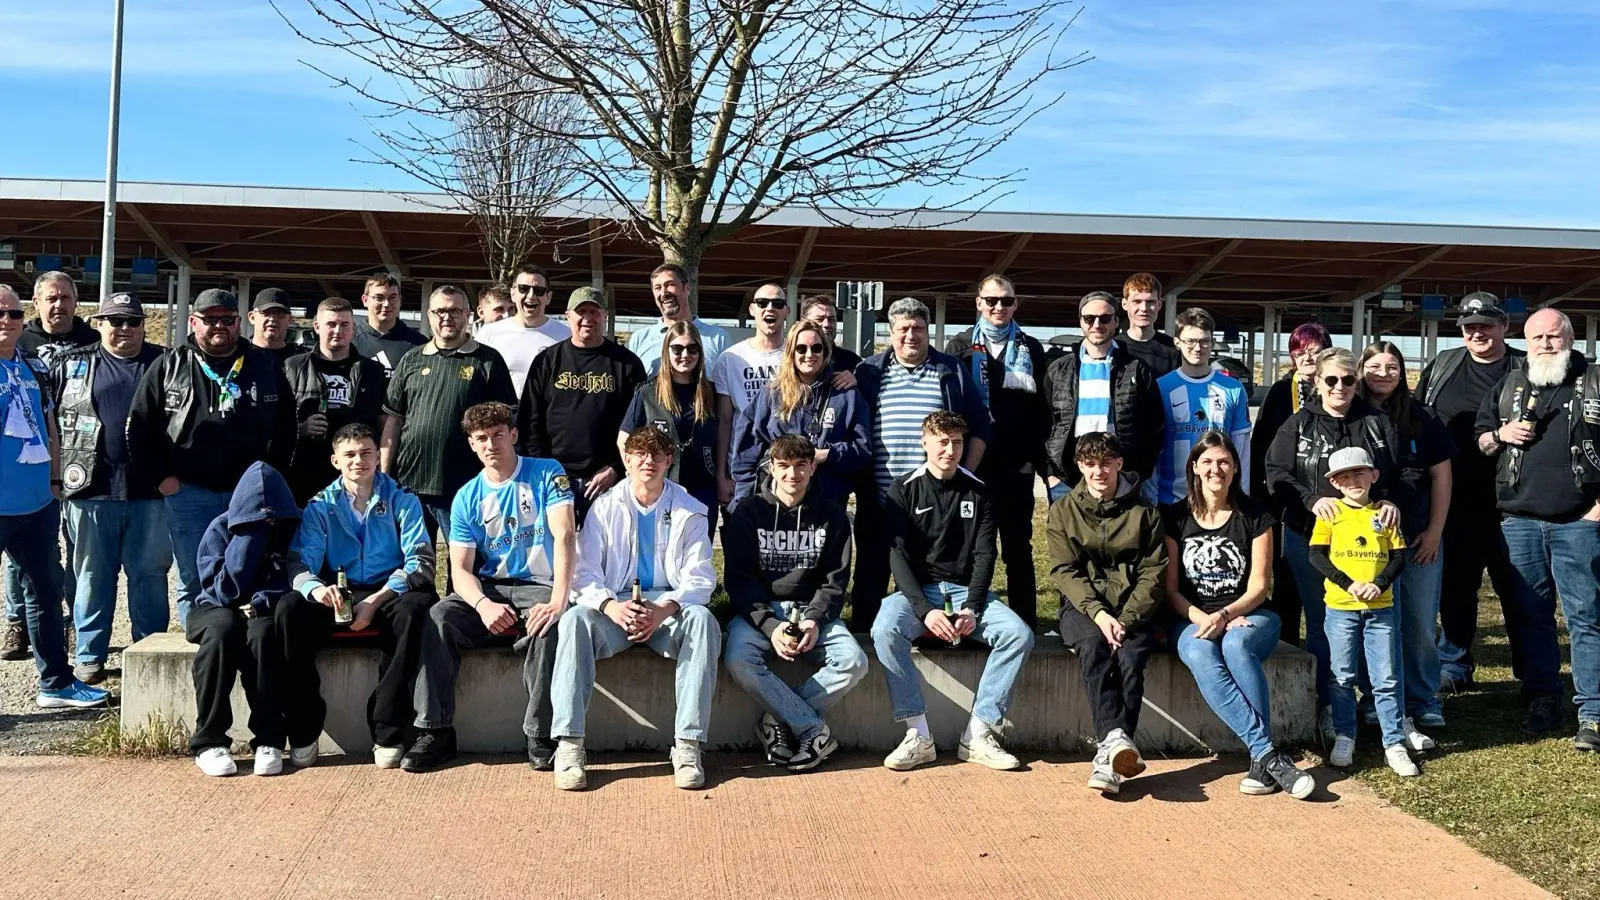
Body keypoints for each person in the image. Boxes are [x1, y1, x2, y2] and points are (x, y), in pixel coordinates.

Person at [404, 402, 577, 773]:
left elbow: (565, 535)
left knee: (550, 625)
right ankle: (434, 731)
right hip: (491, 589)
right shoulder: (467, 496)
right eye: (481, 438)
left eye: (498, 434)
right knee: (438, 616)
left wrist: (559, 600)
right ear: (471, 444)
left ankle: (539, 733)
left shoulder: (547, 473)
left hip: (540, 586)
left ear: (513, 435)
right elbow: (460, 570)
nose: (491, 444)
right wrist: (483, 604)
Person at [550, 426, 718, 791]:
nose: (648, 462)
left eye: (657, 455)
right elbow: (584, 572)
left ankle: (688, 746)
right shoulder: (605, 506)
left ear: (669, 460)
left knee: (703, 621)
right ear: (626, 460)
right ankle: (569, 744)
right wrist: (610, 606)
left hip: (667, 611)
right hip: (617, 608)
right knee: (575, 620)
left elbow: (701, 578)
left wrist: (663, 609)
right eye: (639, 454)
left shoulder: (690, 509)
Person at [871, 411, 1032, 772]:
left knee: (1018, 634)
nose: (950, 450)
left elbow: (985, 554)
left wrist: (972, 606)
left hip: (965, 593)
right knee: (884, 629)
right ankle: (918, 734)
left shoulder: (980, 490)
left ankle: (978, 733)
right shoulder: (903, 489)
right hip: (918, 593)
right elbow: (897, 556)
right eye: (942, 442)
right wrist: (925, 610)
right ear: (925, 443)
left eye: (956, 442)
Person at [129, 288, 297, 627]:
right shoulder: (169, 365)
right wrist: (161, 478)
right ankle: (200, 645)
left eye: (227, 319)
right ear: (193, 322)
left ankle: (237, 644)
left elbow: (286, 428)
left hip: (248, 498)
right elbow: (139, 428)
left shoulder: (264, 366)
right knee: (195, 577)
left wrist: (270, 480)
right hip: (190, 493)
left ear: (239, 323)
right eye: (210, 319)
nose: (219, 325)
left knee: (251, 570)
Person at [1164, 431, 1315, 799]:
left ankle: (1262, 758)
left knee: (1236, 644)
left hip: (1250, 614)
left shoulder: (1257, 515)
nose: (1216, 469)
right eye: (1207, 461)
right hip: (1190, 617)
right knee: (1200, 650)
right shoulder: (1173, 517)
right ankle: (1266, 753)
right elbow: (1170, 591)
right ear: (1194, 467)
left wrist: (1225, 615)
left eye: (1224, 462)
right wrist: (1203, 617)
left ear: (1235, 468)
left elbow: (1259, 587)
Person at [1475, 308, 1600, 750]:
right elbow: (1481, 439)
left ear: (1570, 337)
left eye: (1554, 335)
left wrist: (1598, 508)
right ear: (1526, 343)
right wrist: (1501, 436)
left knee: (1586, 618)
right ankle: (1544, 697)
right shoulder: (1510, 384)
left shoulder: (1594, 381)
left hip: (1579, 521)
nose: (1546, 344)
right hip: (1520, 521)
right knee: (1530, 615)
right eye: (1537, 337)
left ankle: (1593, 711)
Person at [1265, 347, 1403, 744]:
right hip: (1313, 538)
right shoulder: (1297, 424)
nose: (1339, 387)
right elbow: (1276, 474)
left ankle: (1379, 706)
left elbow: (1400, 472)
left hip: (1371, 542)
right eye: (1331, 379)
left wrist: (1391, 500)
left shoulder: (1378, 422)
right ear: (1316, 381)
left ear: (1356, 382)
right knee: (1324, 624)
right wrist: (1310, 500)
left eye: (1347, 379)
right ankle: (1329, 705)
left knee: (1377, 623)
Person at [289, 423, 438, 768]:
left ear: (377, 456)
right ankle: (304, 727)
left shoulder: (402, 498)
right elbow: (300, 562)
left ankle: (388, 729)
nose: (360, 461)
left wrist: (376, 600)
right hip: (337, 590)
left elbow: (421, 561)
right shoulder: (319, 506)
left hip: (389, 590)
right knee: (289, 610)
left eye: (367, 452)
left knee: (416, 609)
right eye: (350, 455)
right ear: (335, 461)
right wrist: (318, 590)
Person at [723, 434, 865, 771]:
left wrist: (815, 619)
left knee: (854, 661)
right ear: (771, 467)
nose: (792, 474)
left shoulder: (832, 515)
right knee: (738, 659)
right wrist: (771, 627)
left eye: (801, 465)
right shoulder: (747, 512)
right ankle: (811, 728)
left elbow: (835, 579)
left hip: (812, 611)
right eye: (784, 466)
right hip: (762, 612)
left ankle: (778, 720)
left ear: (813, 467)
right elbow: (739, 579)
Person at [49, 294, 169, 685]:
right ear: (99, 323)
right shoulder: (70, 364)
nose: (124, 329)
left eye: (133, 321)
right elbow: (48, 423)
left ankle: (149, 652)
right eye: (115, 321)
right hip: (89, 489)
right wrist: (53, 476)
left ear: (144, 325)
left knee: (150, 576)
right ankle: (89, 656)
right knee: (91, 577)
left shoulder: (166, 363)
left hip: (150, 491)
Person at [851, 298, 990, 627]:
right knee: (870, 575)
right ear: (891, 332)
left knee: (918, 579)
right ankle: (863, 641)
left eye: (918, 328)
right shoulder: (869, 371)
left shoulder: (951, 371)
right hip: (879, 497)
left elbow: (980, 425)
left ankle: (923, 635)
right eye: (903, 329)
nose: (911, 335)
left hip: (930, 504)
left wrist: (963, 473)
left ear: (928, 332)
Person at [0, 284, 108, 709]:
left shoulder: (32, 366)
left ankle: (57, 684)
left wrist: (55, 481)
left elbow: (50, 426)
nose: (7, 321)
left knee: (46, 594)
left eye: (13, 314)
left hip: (36, 504)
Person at [186, 462, 329, 777]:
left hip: (265, 607)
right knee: (222, 633)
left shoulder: (297, 526)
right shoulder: (220, 528)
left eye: (273, 518)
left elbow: (297, 576)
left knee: (263, 637)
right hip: (216, 606)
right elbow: (222, 590)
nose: (269, 522)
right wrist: (249, 535)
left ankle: (269, 738)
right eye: (261, 516)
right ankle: (209, 741)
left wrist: (259, 601)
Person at [1414, 293, 1525, 694]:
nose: (1477, 333)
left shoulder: (1525, 368)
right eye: (1469, 327)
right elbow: (1416, 419)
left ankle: (1531, 672)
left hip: (1515, 500)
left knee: (1520, 590)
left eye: (1486, 326)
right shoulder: (1442, 367)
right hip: (1455, 500)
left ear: (1504, 327)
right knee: (1457, 588)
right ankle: (1455, 665)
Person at [1050, 432, 1167, 794]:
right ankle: (1117, 744)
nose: (1098, 471)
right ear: (1079, 466)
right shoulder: (1063, 511)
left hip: (1133, 608)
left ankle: (1109, 757)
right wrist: (1100, 615)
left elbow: (1153, 573)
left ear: (1119, 464)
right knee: (1093, 647)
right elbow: (1064, 571)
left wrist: (1127, 619)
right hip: (1083, 607)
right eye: (1090, 464)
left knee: (1131, 659)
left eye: (1105, 463)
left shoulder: (1145, 512)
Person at [1307, 447, 1423, 777]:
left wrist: (1380, 583)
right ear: (1334, 483)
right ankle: (1345, 735)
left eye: (1359, 473)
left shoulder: (1385, 514)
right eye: (1344, 477)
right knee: (1342, 675)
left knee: (1386, 677)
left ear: (1374, 475)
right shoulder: (1330, 514)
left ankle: (1394, 743)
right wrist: (1347, 584)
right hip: (1341, 608)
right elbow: (1316, 555)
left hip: (1380, 609)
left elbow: (1398, 557)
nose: (1353, 481)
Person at [943, 274, 1050, 628]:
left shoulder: (1031, 349)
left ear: (1015, 304)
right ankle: (967, 621)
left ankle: (1025, 625)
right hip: (972, 466)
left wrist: (1033, 461)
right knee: (971, 549)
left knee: (1018, 549)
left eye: (1006, 300)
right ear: (979, 303)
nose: (998, 307)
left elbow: (1042, 411)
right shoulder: (959, 346)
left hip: (1016, 468)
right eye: (991, 300)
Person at [1360, 341, 1453, 730]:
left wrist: (1435, 531)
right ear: (1362, 370)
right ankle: (1375, 697)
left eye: (1392, 366)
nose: (1383, 373)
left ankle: (1423, 698)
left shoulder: (1421, 416)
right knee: (1375, 622)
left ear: (1402, 372)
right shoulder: (1350, 413)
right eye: (1375, 366)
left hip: (1416, 538)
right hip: (1366, 543)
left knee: (1418, 623)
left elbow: (1441, 475)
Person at [380, 285, 517, 543]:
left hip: (464, 483)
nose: (447, 317)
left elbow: (504, 422)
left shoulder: (488, 360)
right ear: (429, 315)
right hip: (410, 482)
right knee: (414, 559)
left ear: (467, 314)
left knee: (465, 557)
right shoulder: (412, 359)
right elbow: (394, 420)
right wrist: (385, 476)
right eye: (440, 311)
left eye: (454, 311)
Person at [517, 286, 646, 525]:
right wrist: (544, 469)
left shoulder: (627, 364)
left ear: (605, 315)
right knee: (556, 545)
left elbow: (639, 426)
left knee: (606, 548)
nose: (588, 318)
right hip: (552, 477)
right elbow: (529, 421)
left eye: (594, 312)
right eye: (581, 312)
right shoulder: (547, 361)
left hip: (606, 480)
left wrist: (616, 468)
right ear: (568, 316)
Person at [730, 320, 871, 508]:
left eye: (816, 348)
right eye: (801, 349)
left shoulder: (847, 395)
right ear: (791, 352)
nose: (809, 355)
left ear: (825, 352)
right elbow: (746, 456)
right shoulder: (770, 395)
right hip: (776, 506)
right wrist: (742, 504)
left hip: (828, 505)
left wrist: (828, 454)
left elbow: (862, 450)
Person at [1249, 321, 1330, 644]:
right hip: (1287, 500)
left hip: (1328, 496)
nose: (1307, 358)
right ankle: (1287, 645)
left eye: (1315, 351)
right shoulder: (1281, 392)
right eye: (1300, 352)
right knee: (1287, 577)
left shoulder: (1338, 387)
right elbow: (1261, 447)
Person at [1043, 291, 1164, 502]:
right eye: (1089, 318)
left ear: (1116, 321)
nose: (1097, 324)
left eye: (1105, 318)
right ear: (1081, 321)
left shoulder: (1136, 369)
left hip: (1122, 476)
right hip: (1067, 478)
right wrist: (1050, 473)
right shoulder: (1059, 369)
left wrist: (1139, 472)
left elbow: (1154, 427)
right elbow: (1042, 423)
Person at [283, 298, 388, 505]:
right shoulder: (293, 367)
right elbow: (278, 421)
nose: (338, 331)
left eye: (344, 325)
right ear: (316, 326)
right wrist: (301, 429)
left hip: (356, 475)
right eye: (331, 324)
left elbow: (384, 424)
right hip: (305, 475)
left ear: (353, 328)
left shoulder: (372, 371)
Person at [1146, 307, 1251, 506]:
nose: (1198, 348)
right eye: (1190, 341)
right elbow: (1152, 450)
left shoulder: (1234, 389)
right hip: (1171, 500)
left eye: (1204, 341)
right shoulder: (1160, 388)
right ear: (1177, 343)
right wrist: (1151, 501)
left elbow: (1241, 451)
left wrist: (1241, 498)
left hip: (1219, 500)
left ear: (1212, 342)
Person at [617, 322, 721, 523]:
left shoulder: (712, 393)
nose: (685, 355)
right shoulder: (647, 393)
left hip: (702, 486)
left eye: (692, 348)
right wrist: (635, 474)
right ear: (667, 351)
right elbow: (623, 439)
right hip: (659, 486)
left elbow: (723, 434)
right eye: (677, 349)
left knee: (700, 542)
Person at [712, 283, 790, 507]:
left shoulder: (798, 355)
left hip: (787, 468)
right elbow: (724, 421)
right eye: (762, 303)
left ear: (787, 311)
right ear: (752, 309)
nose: (770, 308)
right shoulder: (730, 358)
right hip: (742, 470)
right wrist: (722, 476)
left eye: (778, 303)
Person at [476, 264, 566, 399]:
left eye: (539, 290)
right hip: (502, 411)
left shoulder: (566, 335)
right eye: (523, 289)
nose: (531, 296)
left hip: (548, 411)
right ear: (513, 293)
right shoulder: (488, 333)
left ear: (548, 297)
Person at [628, 263, 729, 377]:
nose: (663, 293)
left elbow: (727, 382)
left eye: (670, 285)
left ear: (687, 289)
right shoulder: (640, 338)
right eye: (657, 288)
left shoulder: (717, 337)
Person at [352, 272, 427, 377]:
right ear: (365, 300)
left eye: (392, 297)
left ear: (400, 300)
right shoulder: (350, 341)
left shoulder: (419, 343)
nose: (386, 304)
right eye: (379, 298)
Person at [1118, 272, 1180, 377]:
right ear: (1124, 304)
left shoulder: (1174, 350)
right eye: (1137, 301)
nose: (1144, 308)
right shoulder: (1114, 348)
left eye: (1150, 302)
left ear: (1159, 304)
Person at [800, 293, 861, 371]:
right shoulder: (790, 359)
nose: (826, 324)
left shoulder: (852, 362)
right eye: (819, 319)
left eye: (831, 319)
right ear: (804, 322)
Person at [248, 288, 307, 366]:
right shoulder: (238, 356)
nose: (273, 318)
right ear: (252, 317)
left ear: (289, 320)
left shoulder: (303, 362)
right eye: (266, 312)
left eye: (280, 313)